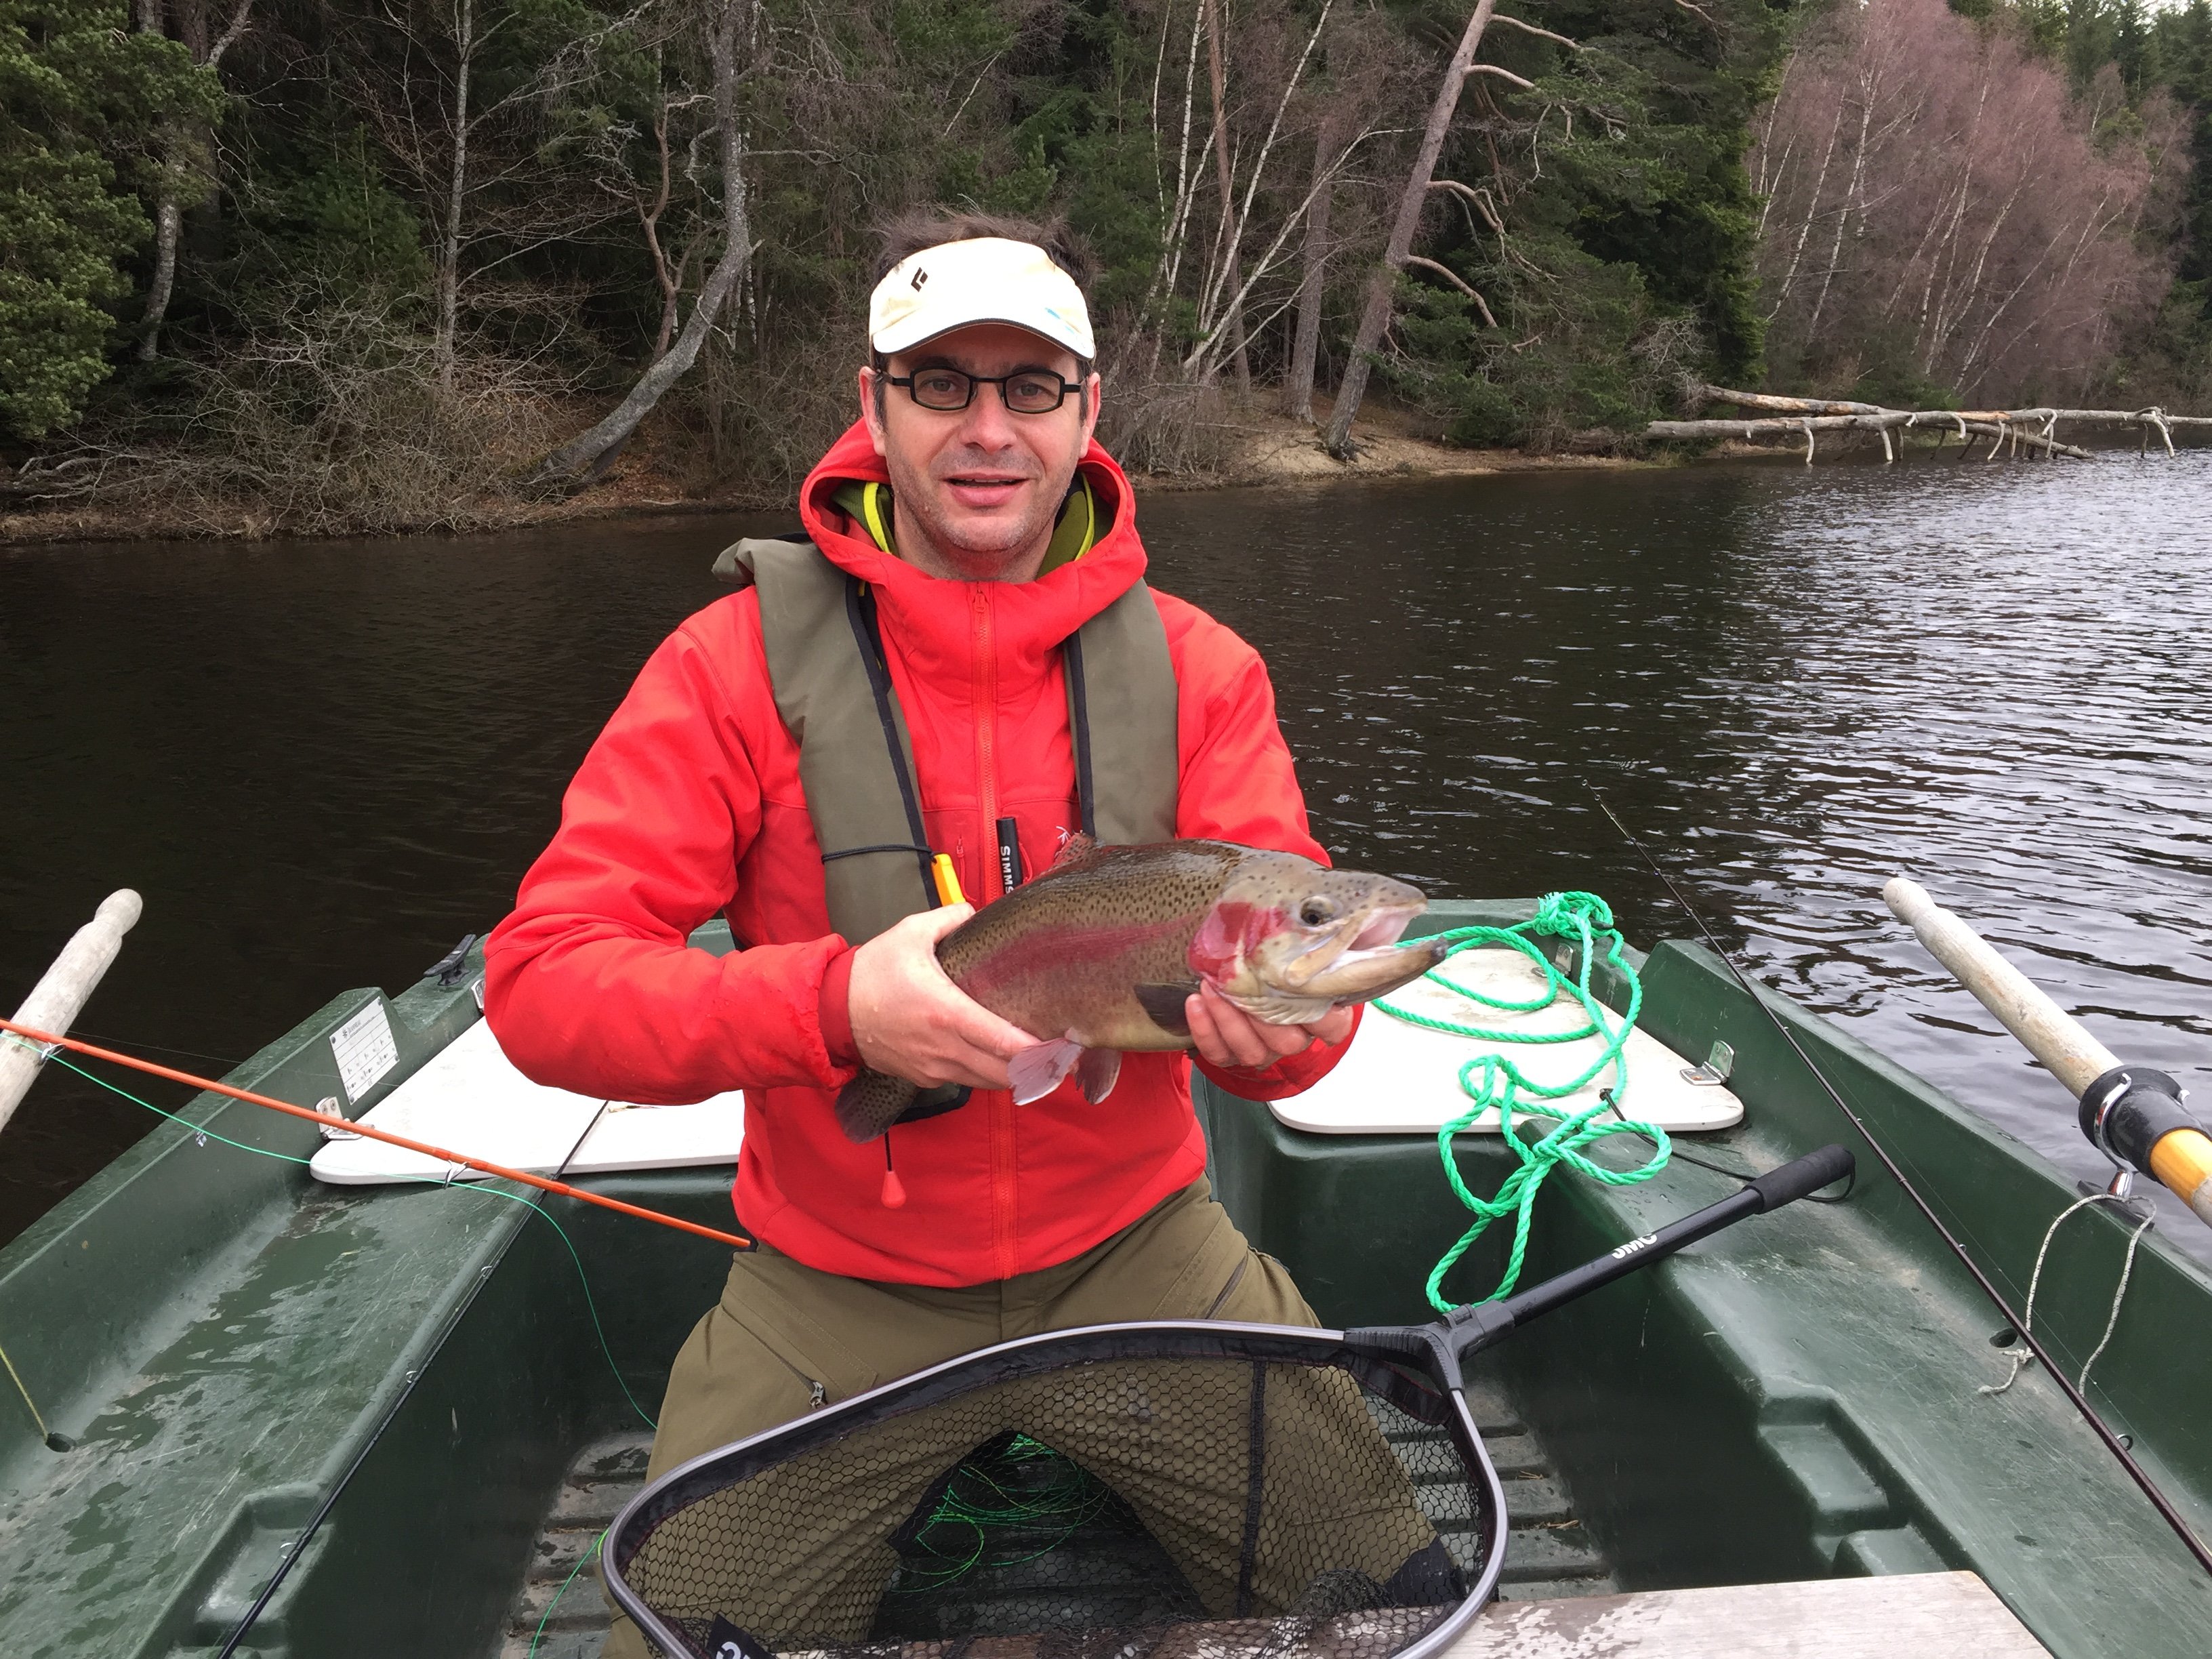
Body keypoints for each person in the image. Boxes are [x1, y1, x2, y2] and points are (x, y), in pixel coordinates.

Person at [484, 211, 1431, 1654]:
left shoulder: (1203, 669)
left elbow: (1309, 983)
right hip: (830, 1278)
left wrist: (1283, 1044)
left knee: (1390, 1609)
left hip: (1141, 1250)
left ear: (1087, 411)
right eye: (942, 386)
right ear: (872, 407)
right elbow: (544, 986)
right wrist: (834, 1009)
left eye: (1030, 387)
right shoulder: (727, 663)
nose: (988, 432)